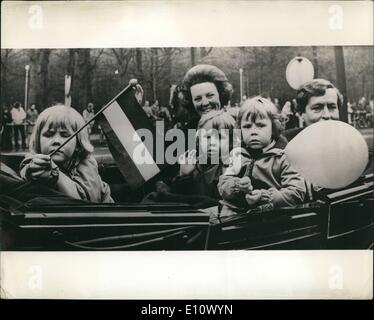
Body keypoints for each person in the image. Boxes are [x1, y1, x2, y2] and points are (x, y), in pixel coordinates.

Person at [218, 97, 306, 216]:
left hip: (272, 216)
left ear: (274, 127)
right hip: (236, 216)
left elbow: (296, 192)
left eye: (260, 125)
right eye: (247, 126)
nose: (253, 131)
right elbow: (223, 185)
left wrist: (264, 197)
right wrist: (237, 185)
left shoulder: (284, 156)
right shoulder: (237, 154)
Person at [19, 104, 113, 203]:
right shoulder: (34, 162)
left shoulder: (87, 164)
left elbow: (89, 203)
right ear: (38, 140)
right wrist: (32, 170)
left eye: (64, 135)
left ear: (78, 143)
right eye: (48, 135)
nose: (56, 141)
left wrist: (55, 176)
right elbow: (27, 167)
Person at [147, 110, 237, 209]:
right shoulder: (194, 164)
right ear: (198, 140)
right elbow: (180, 197)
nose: (212, 142)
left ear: (231, 142)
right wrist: (183, 175)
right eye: (207, 137)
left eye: (219, 137)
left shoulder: (230, 167)